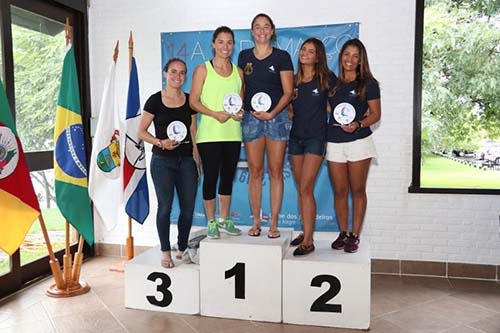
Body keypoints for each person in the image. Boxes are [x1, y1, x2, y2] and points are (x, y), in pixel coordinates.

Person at [138, 58, 199, 268]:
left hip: (187, 162)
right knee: (165, 208)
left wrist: (196, 158)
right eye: (173, 71)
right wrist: (160, 142)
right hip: (162, 162)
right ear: (165, 73)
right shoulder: (154, 100)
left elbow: (193, 131)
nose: (177, 76)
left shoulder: (190, 100)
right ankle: (165, 251)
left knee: (188, 208)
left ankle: (182, 248)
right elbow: (141, 131)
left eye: (182, 73)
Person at [238, 13, 294, 238]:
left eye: (266, 27)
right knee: (255, 171)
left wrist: (272, 113)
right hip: (251, 119)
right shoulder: (243, 56)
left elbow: (289, 92)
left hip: (277, 118)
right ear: (252, 31)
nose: (262, 31)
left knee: (276, 171)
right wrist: (240, 108)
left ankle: (274, 224)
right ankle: (255, 222)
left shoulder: (282, 56)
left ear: (272, 31)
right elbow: (241, 88)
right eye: (257, 27)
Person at [326, 39, 381, 253]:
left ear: (361, 60)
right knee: (340, 191)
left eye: (355, 56)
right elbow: (330, 109)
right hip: (334, 142)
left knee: (357, 190)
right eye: (346, 54)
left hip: (359, 142)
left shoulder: (369, 84)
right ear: (341, 57)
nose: (350, 59)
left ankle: (355, 235)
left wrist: (358, 124)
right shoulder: (333, 83)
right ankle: (344, 232)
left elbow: (376, 114)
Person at [190, 26, 244, 239]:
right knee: (210, 178)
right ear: (213, 44)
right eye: (220, 42)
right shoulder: (203, 69)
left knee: (227, 178)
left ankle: (224, 220)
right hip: (209, 135)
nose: (225, 46)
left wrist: (239, 114)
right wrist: (214, 114)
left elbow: (239, 104)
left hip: (232, 134)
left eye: (229, 42)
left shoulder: (239, 72)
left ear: (233, 45)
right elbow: (193, 101)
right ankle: (211, 222)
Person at [288, 38, 336, 255]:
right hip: (295, 138)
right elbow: (290, 107)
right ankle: (304, 230)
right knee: (301, 189)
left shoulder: (326, 79)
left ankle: (308, 240)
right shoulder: (294, 80)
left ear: (318, 57)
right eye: (303, 49)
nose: (305, 53)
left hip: (316, 139)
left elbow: (340, 104)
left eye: (311, 51)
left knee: (306, 188)